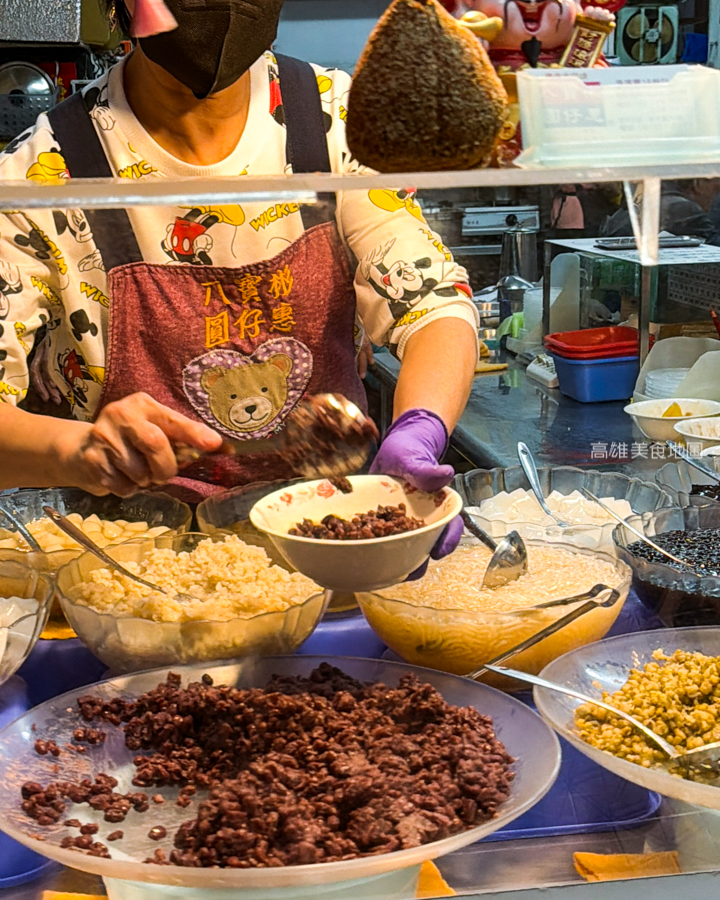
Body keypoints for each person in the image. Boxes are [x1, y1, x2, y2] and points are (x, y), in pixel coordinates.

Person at [0, 0, 478, 554]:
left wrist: (420, 429)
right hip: (130, 555)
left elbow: (434, 303)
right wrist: (78, 449)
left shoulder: (333, 119)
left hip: (334, 533)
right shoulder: (40, 172)